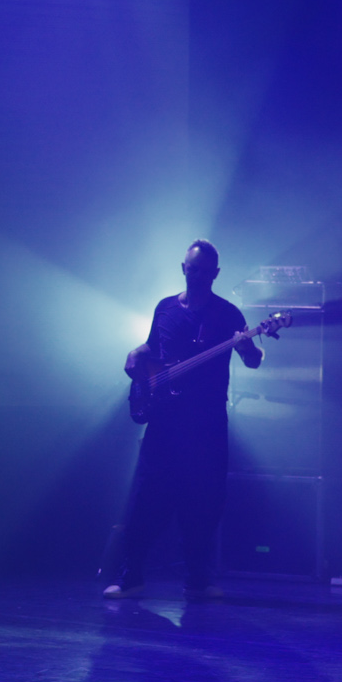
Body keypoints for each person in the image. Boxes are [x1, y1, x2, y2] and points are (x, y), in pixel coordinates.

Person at [103, 240, 262, 601]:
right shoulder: (165, 308)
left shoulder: (228, 314)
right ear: (183, 269)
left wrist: (247, 346)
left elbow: (252, 361)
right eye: (193, 269)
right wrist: (135, 352)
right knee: (146, 497)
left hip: (207, 423)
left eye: (205, 271)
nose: (198, 276)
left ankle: (198, 580)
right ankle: (131, 577)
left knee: (204, 501)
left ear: (216, 274)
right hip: (164, 420)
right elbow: (152, 347)